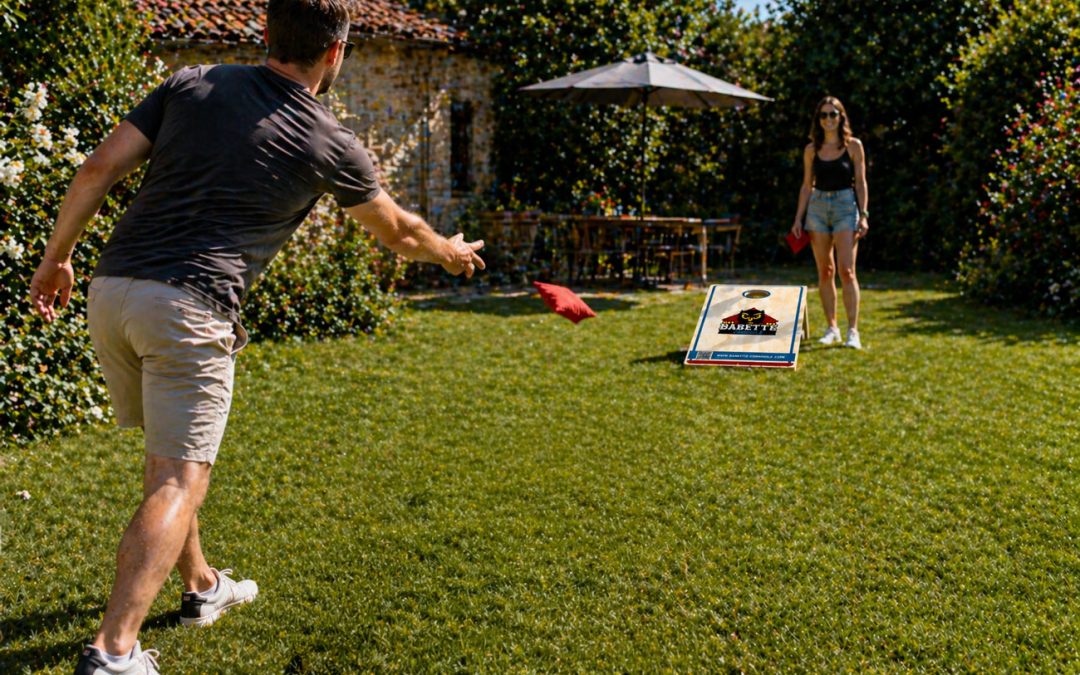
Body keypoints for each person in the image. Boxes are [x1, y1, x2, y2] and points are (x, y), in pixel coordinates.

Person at [27, 1, 485, 672]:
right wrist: (447, 251)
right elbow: (400, 233)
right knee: (179, 477)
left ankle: (202, 585)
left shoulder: (192, 83)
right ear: (336, 53)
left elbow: (98, 169)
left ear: (266, 35)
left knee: (168, 464)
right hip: (187, 307)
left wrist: (56, 257)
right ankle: (114, 652)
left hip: (112, 291)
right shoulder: (327, 139)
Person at [790, 96, 869, 349]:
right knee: (825, 271)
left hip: (846, 206)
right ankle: (832, 327)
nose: (828, 120)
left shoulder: (854, 146)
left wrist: (864, 214)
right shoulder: (811, 150)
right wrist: (798, 218)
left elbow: (861, 182)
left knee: (847, 270)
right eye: (823, 115)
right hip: (818, 207)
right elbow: (806, 185)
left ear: (841, 117)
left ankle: (852, 331)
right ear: (819, 120)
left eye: (833, 114)